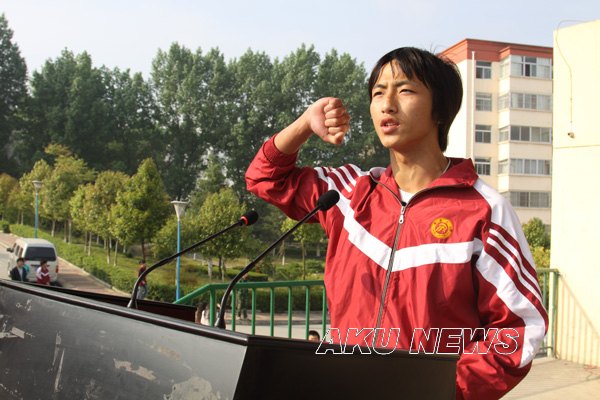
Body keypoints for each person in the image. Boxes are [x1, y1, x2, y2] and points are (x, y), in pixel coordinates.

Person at [245, 47, 548, 399]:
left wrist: (442, 390)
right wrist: (304, 123)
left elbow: (519, 329)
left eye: (405, 90)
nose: (387, 105)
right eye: (378, 93)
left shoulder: (485, 211)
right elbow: (265, 178)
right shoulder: (349, 194)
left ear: (440, 109)